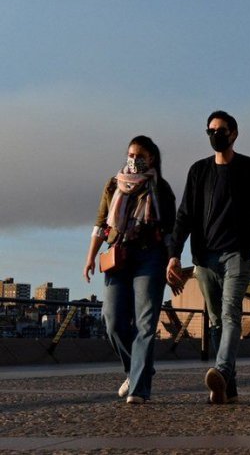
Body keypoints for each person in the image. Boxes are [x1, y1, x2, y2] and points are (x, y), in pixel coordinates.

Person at [166, 111, 250, 404]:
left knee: (231, 313)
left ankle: (220, 369)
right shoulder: (199, 171)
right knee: (216, 322)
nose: (214, 135)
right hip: (205, 257)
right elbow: (184, 216)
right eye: (210, 131)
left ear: (233, 134)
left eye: (220, 130)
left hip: (239, 253)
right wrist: (174, 255)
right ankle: (227, 387)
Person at [83, 136, 176, 404]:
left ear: (152, 159)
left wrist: (173, 261)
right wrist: (90, 258)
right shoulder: (114, 185)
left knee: (145, 324)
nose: (134, 160)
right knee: (112, 321)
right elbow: (101, 224)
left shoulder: (161, 188)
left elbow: (170, 231)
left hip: (150, 257)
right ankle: (136, 368)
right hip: (118, 256)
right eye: (130, 154)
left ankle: (138, 389)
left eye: (140, 155)